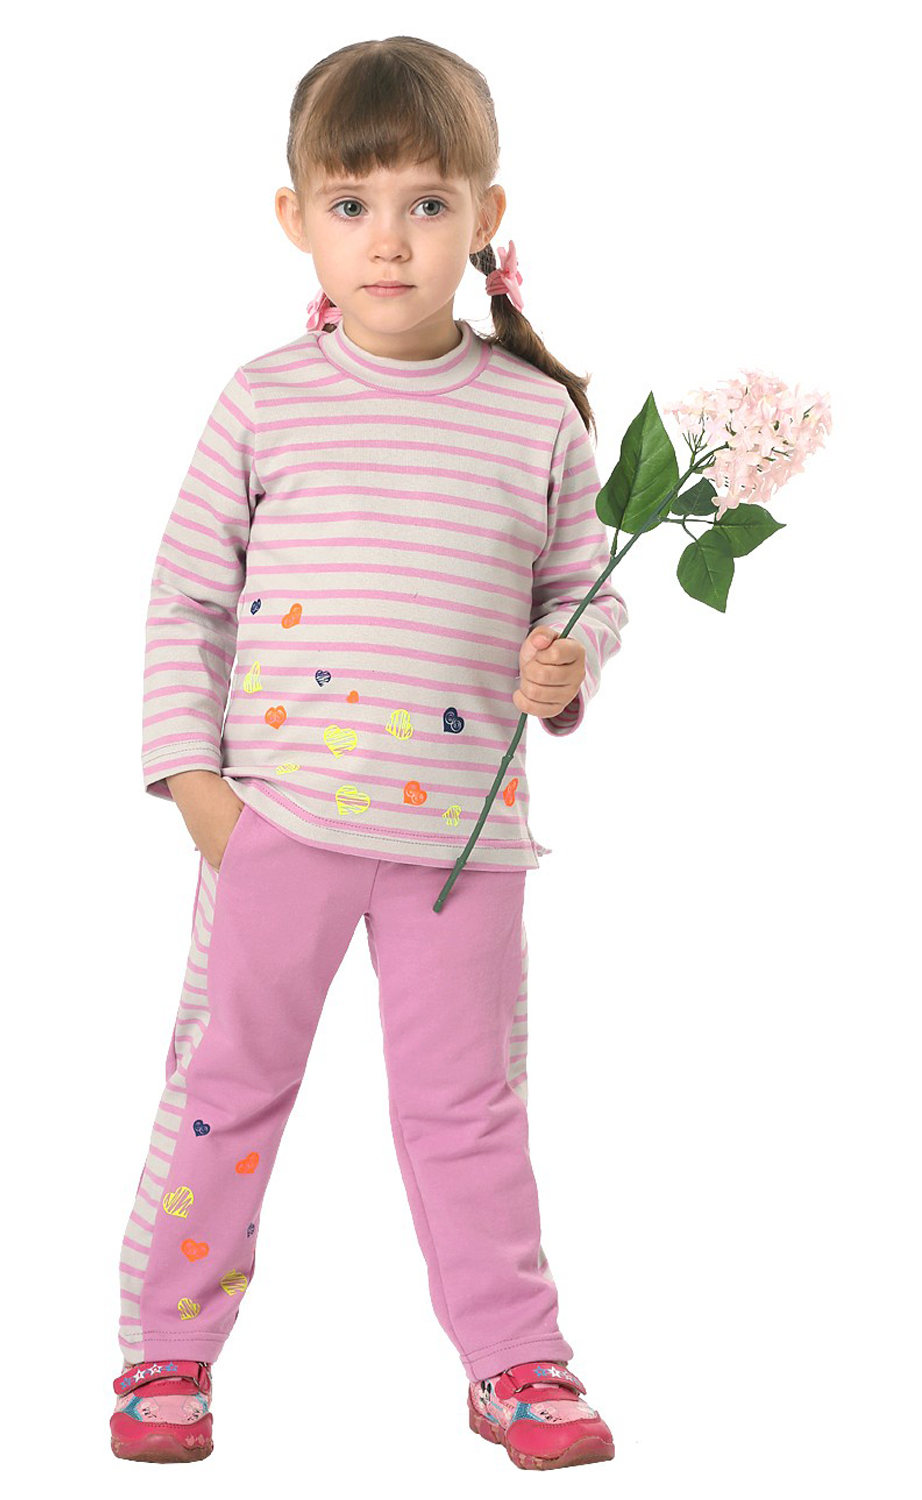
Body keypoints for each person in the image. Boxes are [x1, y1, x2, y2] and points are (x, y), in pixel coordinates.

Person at [110, 35, 628, 1472]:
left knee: (469, 1111)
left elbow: (586, 589)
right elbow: (185, 597)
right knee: (225, 1090)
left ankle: (515, 1360)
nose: (388, 239)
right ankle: (165, 1349)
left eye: (425, 203)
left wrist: (570, 657)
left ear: (485, 216)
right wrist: (201, 792)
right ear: (296, 218)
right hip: (277, 826)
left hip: (463, 845)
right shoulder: (264, 398)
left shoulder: (534, 414)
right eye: (351, 204)